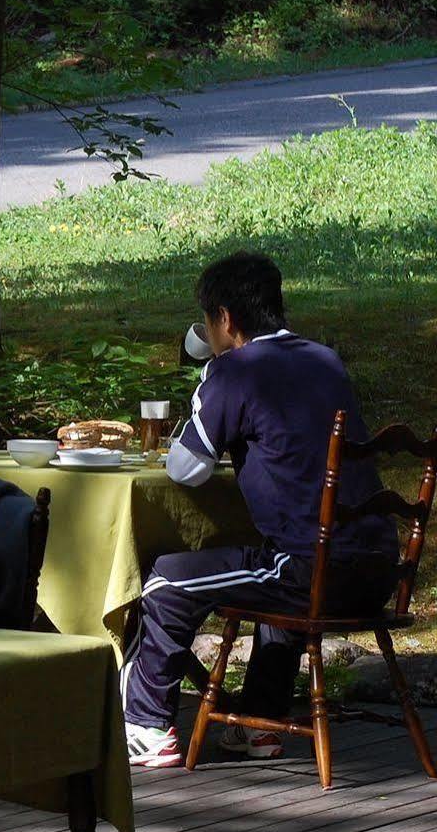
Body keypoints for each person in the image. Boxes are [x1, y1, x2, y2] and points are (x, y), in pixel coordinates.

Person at [122, 252, 399, 768]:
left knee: (166, 579)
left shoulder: (234, 370)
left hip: (311, 569)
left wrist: (208, 390)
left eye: (208, 320)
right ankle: (259, 724)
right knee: (273, 563)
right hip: (378, 567)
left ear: (224, 319)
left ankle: (146, 724)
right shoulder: (325, 360)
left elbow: (186, 469)